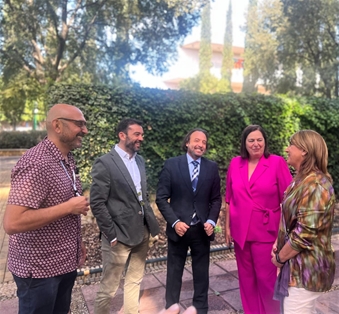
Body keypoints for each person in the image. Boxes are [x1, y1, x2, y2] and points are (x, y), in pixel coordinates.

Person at [3, 104, 90, 314]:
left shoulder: (66, 159)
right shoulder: (36, 163)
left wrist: (77, 243)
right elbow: (12, 223)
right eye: (79, 124)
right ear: (57, 126)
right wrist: (68, 207)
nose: (85, 130)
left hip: (63, 263)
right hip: (40, 271)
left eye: (85, 124)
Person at [90, 118, 159, 314]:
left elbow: (142, 196)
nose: (141, 138)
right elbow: (97, 202)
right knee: (109, 289)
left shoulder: (139, 160)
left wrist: (152, 228)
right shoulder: (105, 163)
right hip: (117, 237)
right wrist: (110, 234)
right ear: (122, 135)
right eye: (136, 134)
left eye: (142, 134)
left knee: (134, 280)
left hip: (142, 233)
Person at [225, 124, 292, 314]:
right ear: (244, 144)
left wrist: (284, 234)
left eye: (259, 140)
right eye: (251, 140)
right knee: (246, 279)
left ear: (265, 142)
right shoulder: (235, 163)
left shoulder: (277, 162)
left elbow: (288, 201)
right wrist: (227, 227)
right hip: (240, 232)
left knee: (266, 280)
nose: (256, 144)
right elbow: (229, 198)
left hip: (266, 231)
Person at [156, 128, 222, 314]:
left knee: (201, 272)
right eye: (197, 140)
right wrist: (175, 222)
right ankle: (171, 307)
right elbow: (161, 198)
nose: (201, 144)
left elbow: (216, 199)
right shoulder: (171, 165)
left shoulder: (211, 167)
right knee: (174, 271)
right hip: (179, 228)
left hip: (202, 229)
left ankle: (200, 308)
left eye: (204, 142)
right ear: (187, 142)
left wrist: (211, 221)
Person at [271, 130, 336, 314]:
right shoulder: (300, 180)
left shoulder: (315, 185)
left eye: (291, 144)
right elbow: (289, 220)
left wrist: (279, 259)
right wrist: (279, 242)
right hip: (297, 266)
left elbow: (303, 236)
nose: (287, 149)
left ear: (304, 151)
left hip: (306, 269)